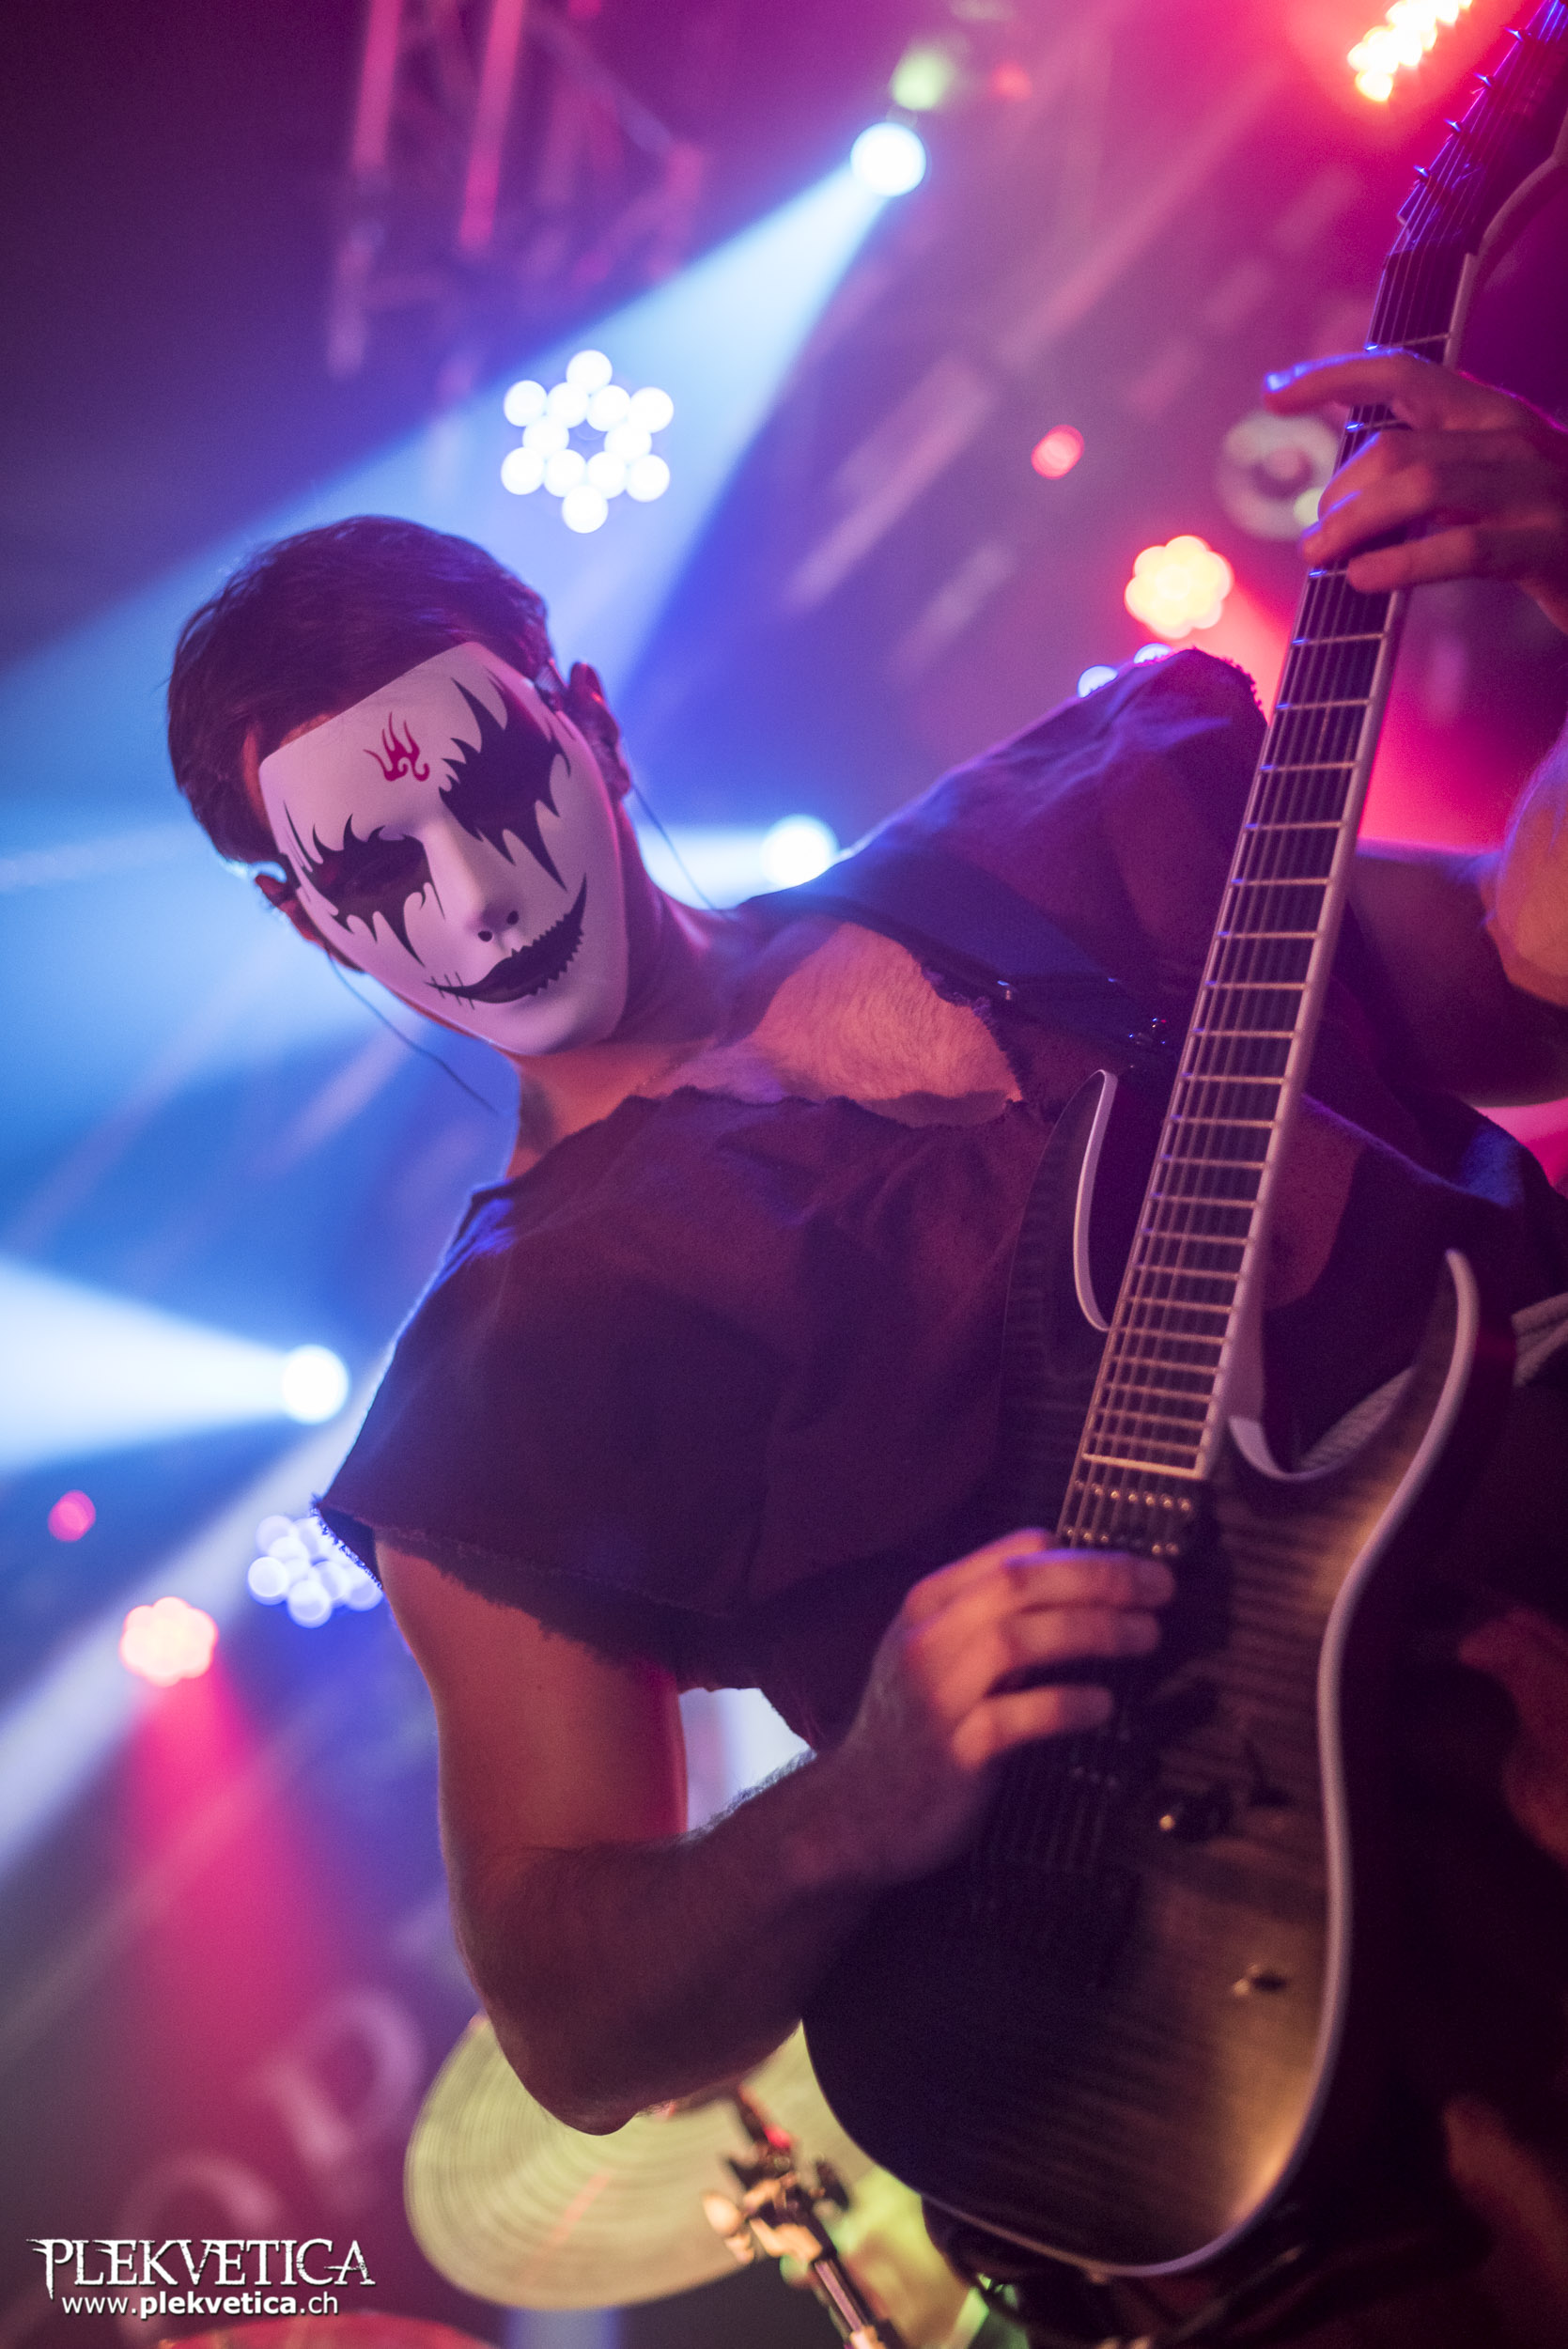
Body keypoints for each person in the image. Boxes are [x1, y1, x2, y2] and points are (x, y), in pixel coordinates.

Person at [168, 352, 1568, 2346]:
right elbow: (571, 2019)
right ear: (308, 921)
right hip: (1366, 2048)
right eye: (377, 870)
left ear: (588, 721)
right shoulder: (509, 1381)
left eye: (489, 790)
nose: (472, 897)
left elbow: (1535, 973)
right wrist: (858, 1801)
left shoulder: (1058, 835)